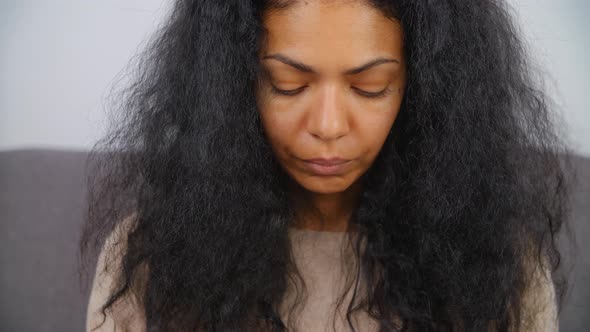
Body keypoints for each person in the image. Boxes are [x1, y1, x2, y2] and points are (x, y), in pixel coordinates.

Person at [80, 0, 575, 331]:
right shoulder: (150, 256)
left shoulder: (499, 264)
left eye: (370, 87)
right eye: (288, 84)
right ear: (230, 82)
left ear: (425, 90)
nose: (328, 125)